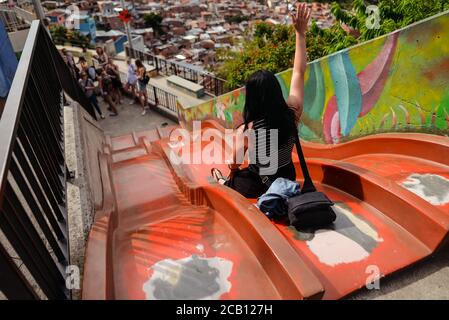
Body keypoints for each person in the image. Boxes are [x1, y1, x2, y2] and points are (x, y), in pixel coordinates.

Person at [211, 3, 309, 198]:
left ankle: (222, 181)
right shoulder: (292, 111)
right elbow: (298, 72)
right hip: (288, 178)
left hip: (260, 185)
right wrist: (300, 33)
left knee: (232, 179)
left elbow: (235, 163)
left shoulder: (248, 129)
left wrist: (233, 170)